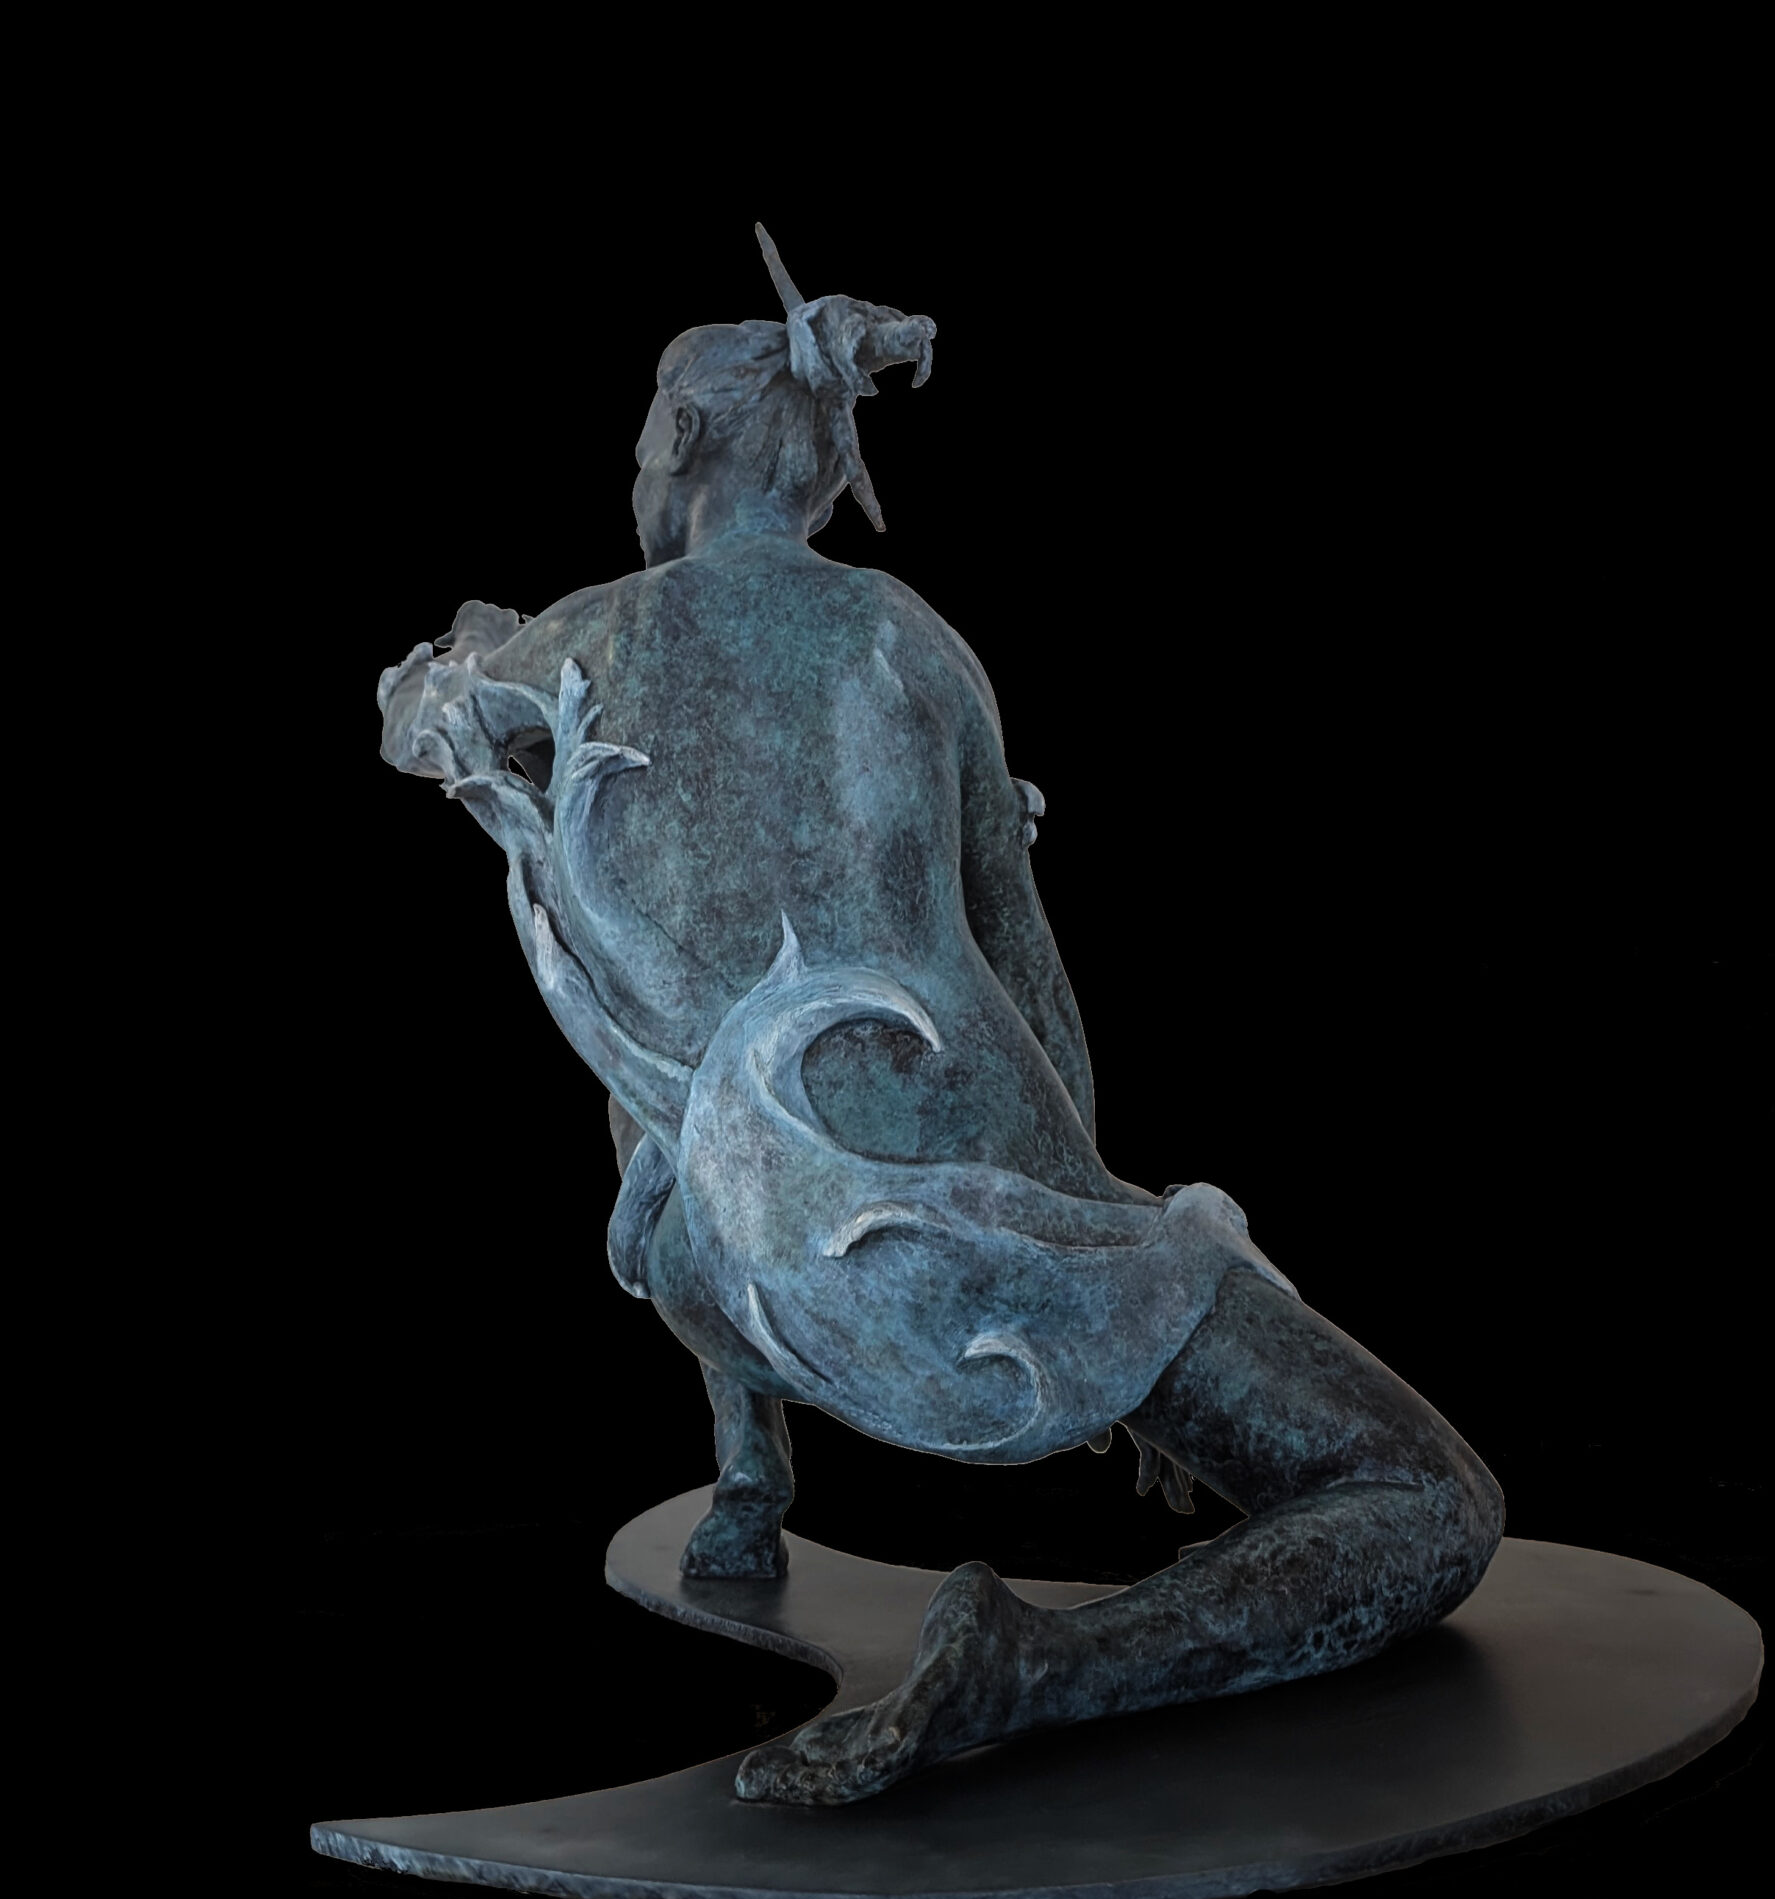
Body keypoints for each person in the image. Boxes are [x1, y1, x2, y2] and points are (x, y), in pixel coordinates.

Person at [377, 227, 1503, 1806]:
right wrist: (1112, 1240)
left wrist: (457, 667)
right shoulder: (909, 639)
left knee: (675, 1046)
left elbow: (418, 721)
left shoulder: (581, 639)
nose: (635, 466)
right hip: (976, 1253)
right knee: (1428, 1500)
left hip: (721, 1252)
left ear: (683, 436)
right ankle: (1046, 1667)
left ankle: (752, 1471)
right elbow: (1022, 961)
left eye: (641, 436)